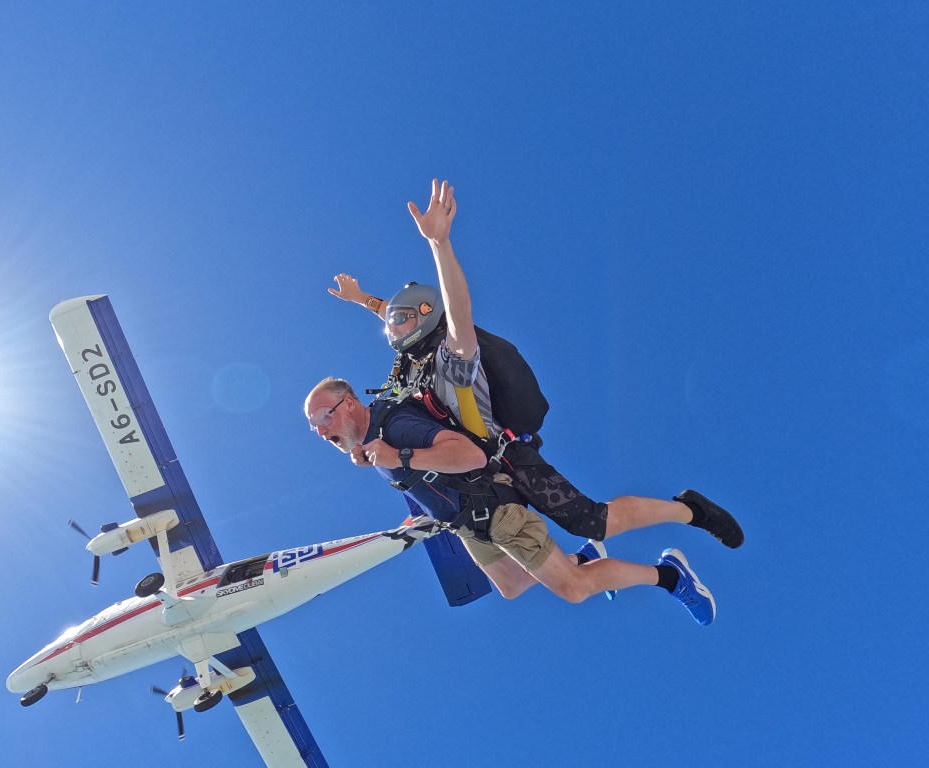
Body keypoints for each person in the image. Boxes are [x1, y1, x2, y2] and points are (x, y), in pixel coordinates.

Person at [328, 178, 744, 556]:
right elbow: (393, 315)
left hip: (509, 457)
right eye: (392, 323)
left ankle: (689, 510)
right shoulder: (410, 363)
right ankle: (582, 568)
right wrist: (363, 298)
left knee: (592, 521)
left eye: (404, 319)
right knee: (512, 569)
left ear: (426, 312)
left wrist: (440, 244)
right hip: (477, 472)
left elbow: (456, 308)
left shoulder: (453, 358)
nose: (394, 328)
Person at [303, 377, 717, 625]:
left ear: (351, 403)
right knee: (513, 585)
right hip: (467, 523)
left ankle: (670, 576)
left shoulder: (394, 427)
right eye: (313, 427)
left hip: (494, 511)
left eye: (324, 417)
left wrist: (401, 457)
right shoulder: (373, 439)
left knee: (573, 590)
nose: (321, 432)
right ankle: (585, 558)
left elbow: (469, 456)